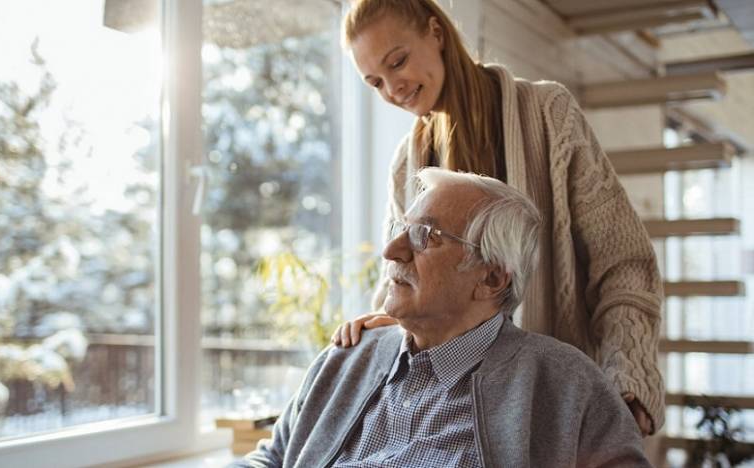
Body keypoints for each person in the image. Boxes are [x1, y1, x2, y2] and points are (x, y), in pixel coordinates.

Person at [332, 0, 664, 436]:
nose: (393, 88)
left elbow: (623, 263)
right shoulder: (405, 165)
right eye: (375, 82)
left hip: (557, 409)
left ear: (436, 32)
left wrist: (627, 384)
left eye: (398, 61)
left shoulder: (550, 115)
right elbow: (405, 276)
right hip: (454, 416)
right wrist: (383, 319)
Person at [232, 168, 650, 467]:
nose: (392, 250)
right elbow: (271, 458)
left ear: (490, 278)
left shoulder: (565, 384)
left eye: (425, 236)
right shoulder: (345, 358)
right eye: (400, 228)